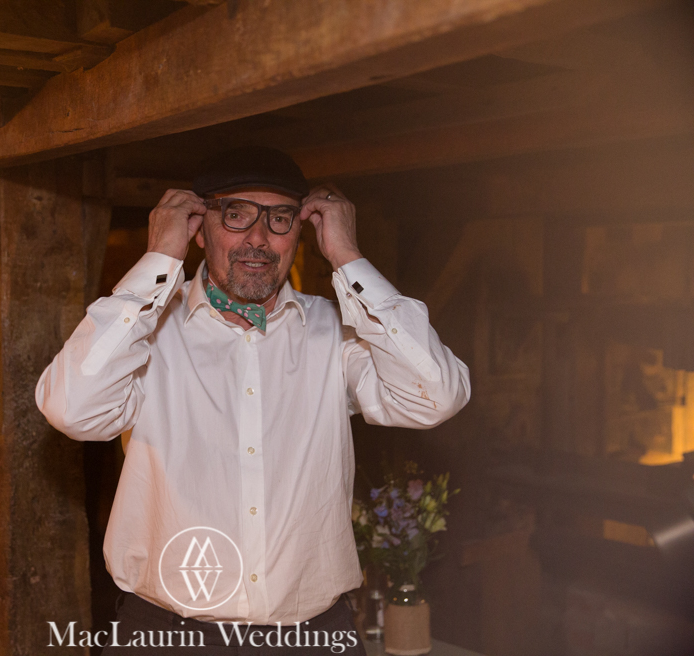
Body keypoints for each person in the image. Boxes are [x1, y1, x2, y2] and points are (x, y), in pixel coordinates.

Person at [36, 147, 471, 654]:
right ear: (199, 228)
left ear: (300, 231)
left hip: (314, 637)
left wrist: (348, 257)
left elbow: (436, 396)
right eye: (236, 215)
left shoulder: (336, 331)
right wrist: (158, 260)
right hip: (166, 636)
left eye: (279, 218)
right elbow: (71, 408)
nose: (259, 238)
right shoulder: (147, 333)